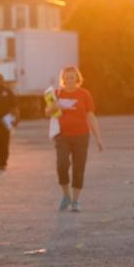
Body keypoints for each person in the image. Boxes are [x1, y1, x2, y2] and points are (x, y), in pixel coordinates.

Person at [47, 66, 103, 213]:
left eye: (72, 77)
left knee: (79, 169)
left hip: (81, 136)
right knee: (62, 164)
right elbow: (47, 112)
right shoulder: (57, 93)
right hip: (62, 136)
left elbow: (91, 117)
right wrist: (54, 106)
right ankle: (66, 196)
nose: (69, 80)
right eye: (66, 77)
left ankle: (76, 201)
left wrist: (98, 139)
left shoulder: (84, 94)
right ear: (63, 79)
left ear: (77, 78)